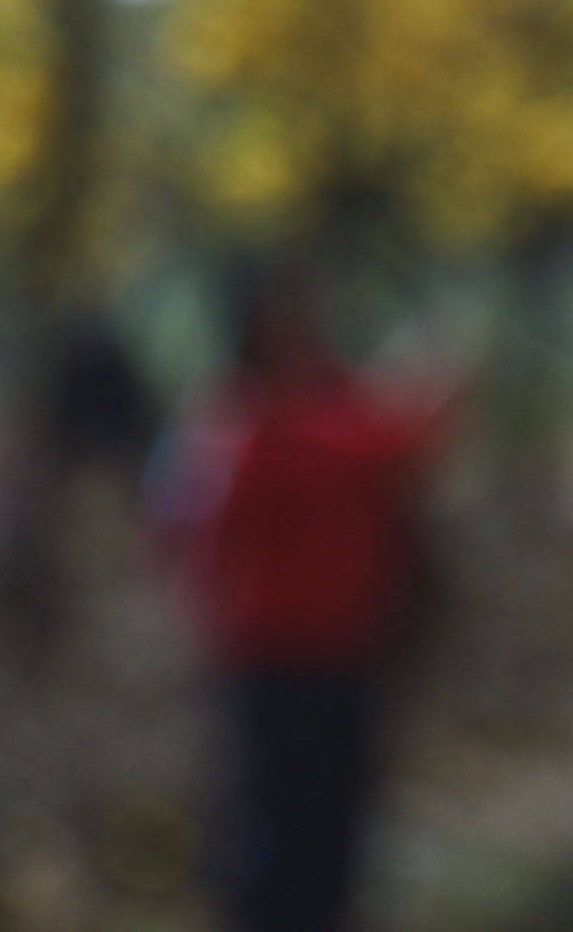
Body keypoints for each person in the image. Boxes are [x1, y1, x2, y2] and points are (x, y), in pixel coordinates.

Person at [166, 263, 453, 932]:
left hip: (347, 650)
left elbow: (404, 444)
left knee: (335, 827)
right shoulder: (234, 418)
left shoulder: (335, 397)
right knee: (273, 830)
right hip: (268, 657)